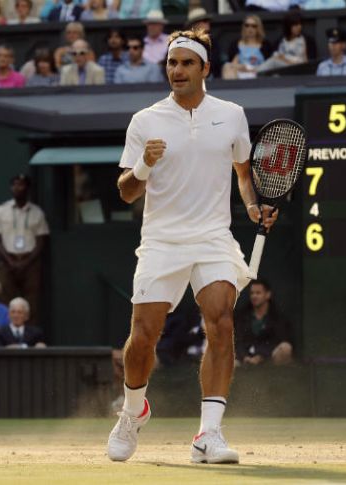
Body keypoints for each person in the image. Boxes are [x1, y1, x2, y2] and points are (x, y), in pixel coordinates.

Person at [106, 28, 279, 465]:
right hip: (161, 240)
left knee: (221, 321)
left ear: (205, 69)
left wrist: (253, 206)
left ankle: (209, 434)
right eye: (172, 62)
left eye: (186, 63)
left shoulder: (232, 115)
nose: (177, 70)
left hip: (212, 238)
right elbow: (126, 192)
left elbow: (243, 173)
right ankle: (133, 411)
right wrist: (144, 164)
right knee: (142, 337)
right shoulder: (144, 121)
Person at [0, 174, 50, 327]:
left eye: (21, 184)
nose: (17, 188)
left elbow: (41, 241)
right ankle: (7, 334)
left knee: (32, 302)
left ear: (27, 188)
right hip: (7, 260)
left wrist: (25, 262)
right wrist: (10, 261)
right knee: (4, 299)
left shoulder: (37, 212)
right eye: (14, 184)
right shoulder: (1, 210)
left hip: (30, 262)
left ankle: (29, 336)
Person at [234, 279, 293, 365]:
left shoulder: (277, 317)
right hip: (245, 360)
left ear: (268, 294)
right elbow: (238, 341)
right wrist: (245, 357)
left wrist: (261, 356)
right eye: (252, 293)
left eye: (258, 293)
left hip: (269, 360)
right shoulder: (242, 316)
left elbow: (279, 341)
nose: (254, 296)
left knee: (285, 348)